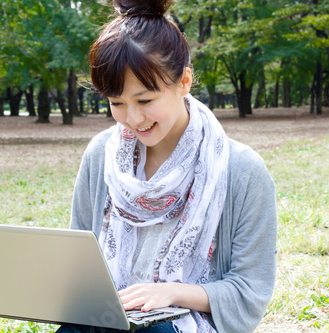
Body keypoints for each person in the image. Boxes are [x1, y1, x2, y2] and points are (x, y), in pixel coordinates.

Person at [57, 0, 277, 332]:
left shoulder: (242, 170)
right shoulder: (101, 153)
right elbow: (79, 265)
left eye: (145, 100)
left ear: (184, 81)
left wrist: (172, 293)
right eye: (117, 103)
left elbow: (249, 290)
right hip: (104, 320)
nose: (133, 119)